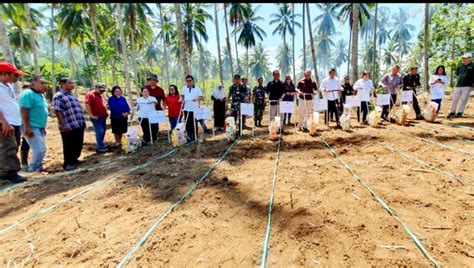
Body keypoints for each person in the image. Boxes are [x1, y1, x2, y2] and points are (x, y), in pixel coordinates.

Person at [0, 62, 28, 183]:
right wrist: (4, 122)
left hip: (14, 121)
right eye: (15, 75)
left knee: (14, 144)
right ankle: (10, 172)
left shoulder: (7, 86)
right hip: (5, 123)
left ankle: (5, 171)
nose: (17, 78)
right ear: (5, 74)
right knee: (8, 146)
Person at [53, 77, 86, 171]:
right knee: (68, 144)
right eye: (70, 83)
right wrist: (63, 124)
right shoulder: (59, 95)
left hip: (78, 123)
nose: (72, 84)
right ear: (63, 84)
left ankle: (74, 159)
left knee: (78, 143)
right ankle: (68, 163)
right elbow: (58, 110)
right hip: (68, 124)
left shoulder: (72, 95)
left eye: (73, 82)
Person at [18, 76, 49, 174]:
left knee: (41, 148)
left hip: (39, 126)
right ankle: (34, 169)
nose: (45, 85)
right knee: (40, 149)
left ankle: (38, 167)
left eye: (45, 83)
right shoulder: (27, 94)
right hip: (31, 126)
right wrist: (27, 127)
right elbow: (24, 110)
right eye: (42, 83)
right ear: (33, 84)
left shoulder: (41, 95)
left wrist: (43, 127)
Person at [448, 53, 474, 118]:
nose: (464, 59)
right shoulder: (460, 66)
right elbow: (457, 74)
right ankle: (452, 111)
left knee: (463, 99)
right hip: (458, 85)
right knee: (455, 99)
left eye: (465, 58)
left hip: (468, 85)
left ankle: (460, 112)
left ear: (469, 58)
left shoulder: (473, 66)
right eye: (463, 58)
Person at [85, 83, 109, 153]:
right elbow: (87, 104)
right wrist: (91, 115)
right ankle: (100, 147)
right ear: (95, 88)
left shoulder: (99, 95)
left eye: (103, 90)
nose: (102, 91)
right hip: (96, 117)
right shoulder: (90, 94)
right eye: (100, 90)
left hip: (103, 116)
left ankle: (101, 145)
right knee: (99, 132)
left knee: (103, 131)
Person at [181, 75, 203, 142]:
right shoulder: (184, 88)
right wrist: (181, 100)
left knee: (194, 123)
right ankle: (188, 137)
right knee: (187, 123)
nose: (189, 82)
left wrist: (196, 99)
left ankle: (194, 136)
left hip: (195, 109)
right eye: (187, 81)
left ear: (193, 81)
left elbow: (201, 97)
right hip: (186, 108)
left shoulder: (197, 88)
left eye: (190, 80)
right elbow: (182, 96)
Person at [20, 82, 31, 171]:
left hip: (31, 123)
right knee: (25, 142)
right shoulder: (21, 98)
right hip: (21, 123)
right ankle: (24, 163)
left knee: (27, 142)